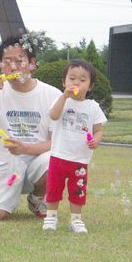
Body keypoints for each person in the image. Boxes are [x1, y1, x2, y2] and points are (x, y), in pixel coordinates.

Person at [0, 34, 62, 221]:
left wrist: (25, 149)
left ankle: (37, 197)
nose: (13, 67)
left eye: (19, 60)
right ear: (0, 66)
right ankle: (4, 191)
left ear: (32, 63)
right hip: (7, 167)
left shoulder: (52, 95)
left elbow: (56, 142)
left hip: (38, 163)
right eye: (7, 62)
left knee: (57, 159)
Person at [42, 59, 107, 233]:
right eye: (72, 78)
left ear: (91, 86)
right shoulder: (63, 102)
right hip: (59, 155)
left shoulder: (92, 107)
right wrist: (64, 96)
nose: (76, 83)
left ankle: (76, 219)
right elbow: (54, 116)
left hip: (80, 158)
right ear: (64, 82)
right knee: (54, 188)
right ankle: (51, 217)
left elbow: (98, 130)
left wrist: (97, 139)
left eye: (83, 80)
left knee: (78, 190)